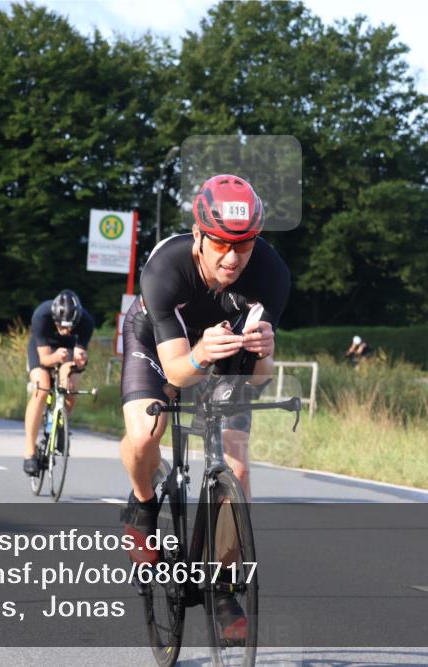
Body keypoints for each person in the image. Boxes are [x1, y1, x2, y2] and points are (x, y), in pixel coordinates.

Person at [118, 174, 290, 639]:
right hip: (158, 345)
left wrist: (264, 351)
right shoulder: (166, 268)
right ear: (198, 235)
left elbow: (257, 378)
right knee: (144, 433)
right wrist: (198, 354)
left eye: (245, 245)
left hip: (224, 350)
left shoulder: (271, 274)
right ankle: (142, 505)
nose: (233, 258)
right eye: (220, 244)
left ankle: (220, 583)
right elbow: (175, 373)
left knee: (238, 466)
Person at [22, 290, 95, 476]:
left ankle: (61, 425)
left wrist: (79, 361)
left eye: (70, 327)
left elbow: (78, 357)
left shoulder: (86, 322)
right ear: (54, 319)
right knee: (42, 390)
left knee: (70, 387)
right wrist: (55, 357)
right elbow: (45, 359)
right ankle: (29, 451)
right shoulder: (42, 315)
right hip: (44, 350)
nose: (66, 331)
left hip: (68, 350)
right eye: (62, 327)